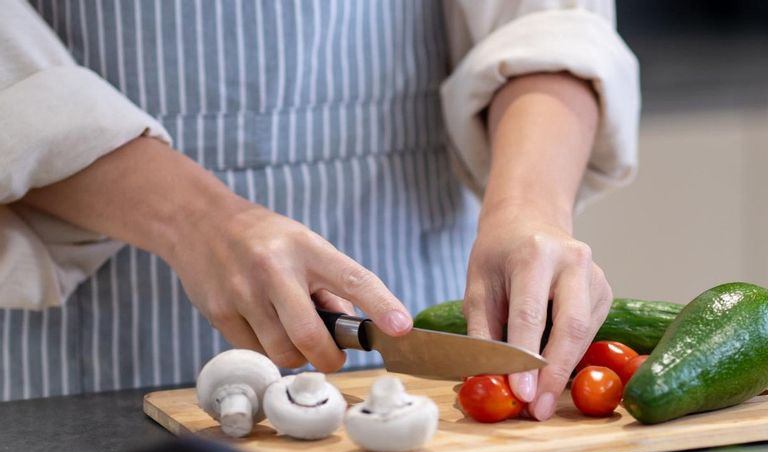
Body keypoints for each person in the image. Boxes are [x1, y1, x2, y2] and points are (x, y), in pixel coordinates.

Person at [0, 0, 639, 421]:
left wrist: (529, 206)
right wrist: (193, 219)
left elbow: (549, 17)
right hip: (84, 325)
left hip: (411, 253)